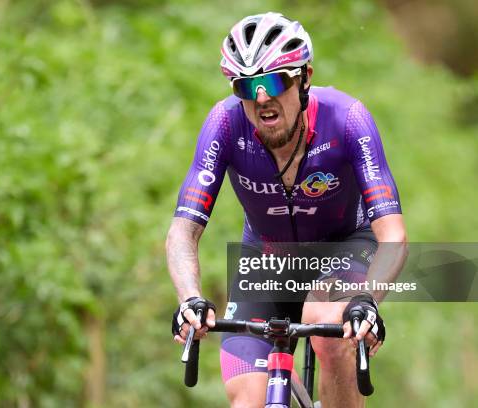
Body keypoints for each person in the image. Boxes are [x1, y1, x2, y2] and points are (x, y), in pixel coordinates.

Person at [166, 12, 408, 408]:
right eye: (247, 86)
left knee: (328, 324)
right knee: (247, 400)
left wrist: (367, 298)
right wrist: (189, 298)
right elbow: (183, 230)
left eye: (275, 82)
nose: (262, 98)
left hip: (346, 249)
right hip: (268, 257)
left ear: (304, 77)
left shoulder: (347, 119)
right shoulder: (224, 125)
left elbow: (394, 236)